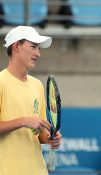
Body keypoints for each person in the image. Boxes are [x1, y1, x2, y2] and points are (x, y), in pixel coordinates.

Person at [0, 26, 62, 175]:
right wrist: (23, 121)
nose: (38, 53)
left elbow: (39, 132)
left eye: (39, 48)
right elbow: (28, 122)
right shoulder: (1, 82)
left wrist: (49, 138)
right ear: (17, 46)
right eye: (33, 47)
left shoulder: (37, 85)